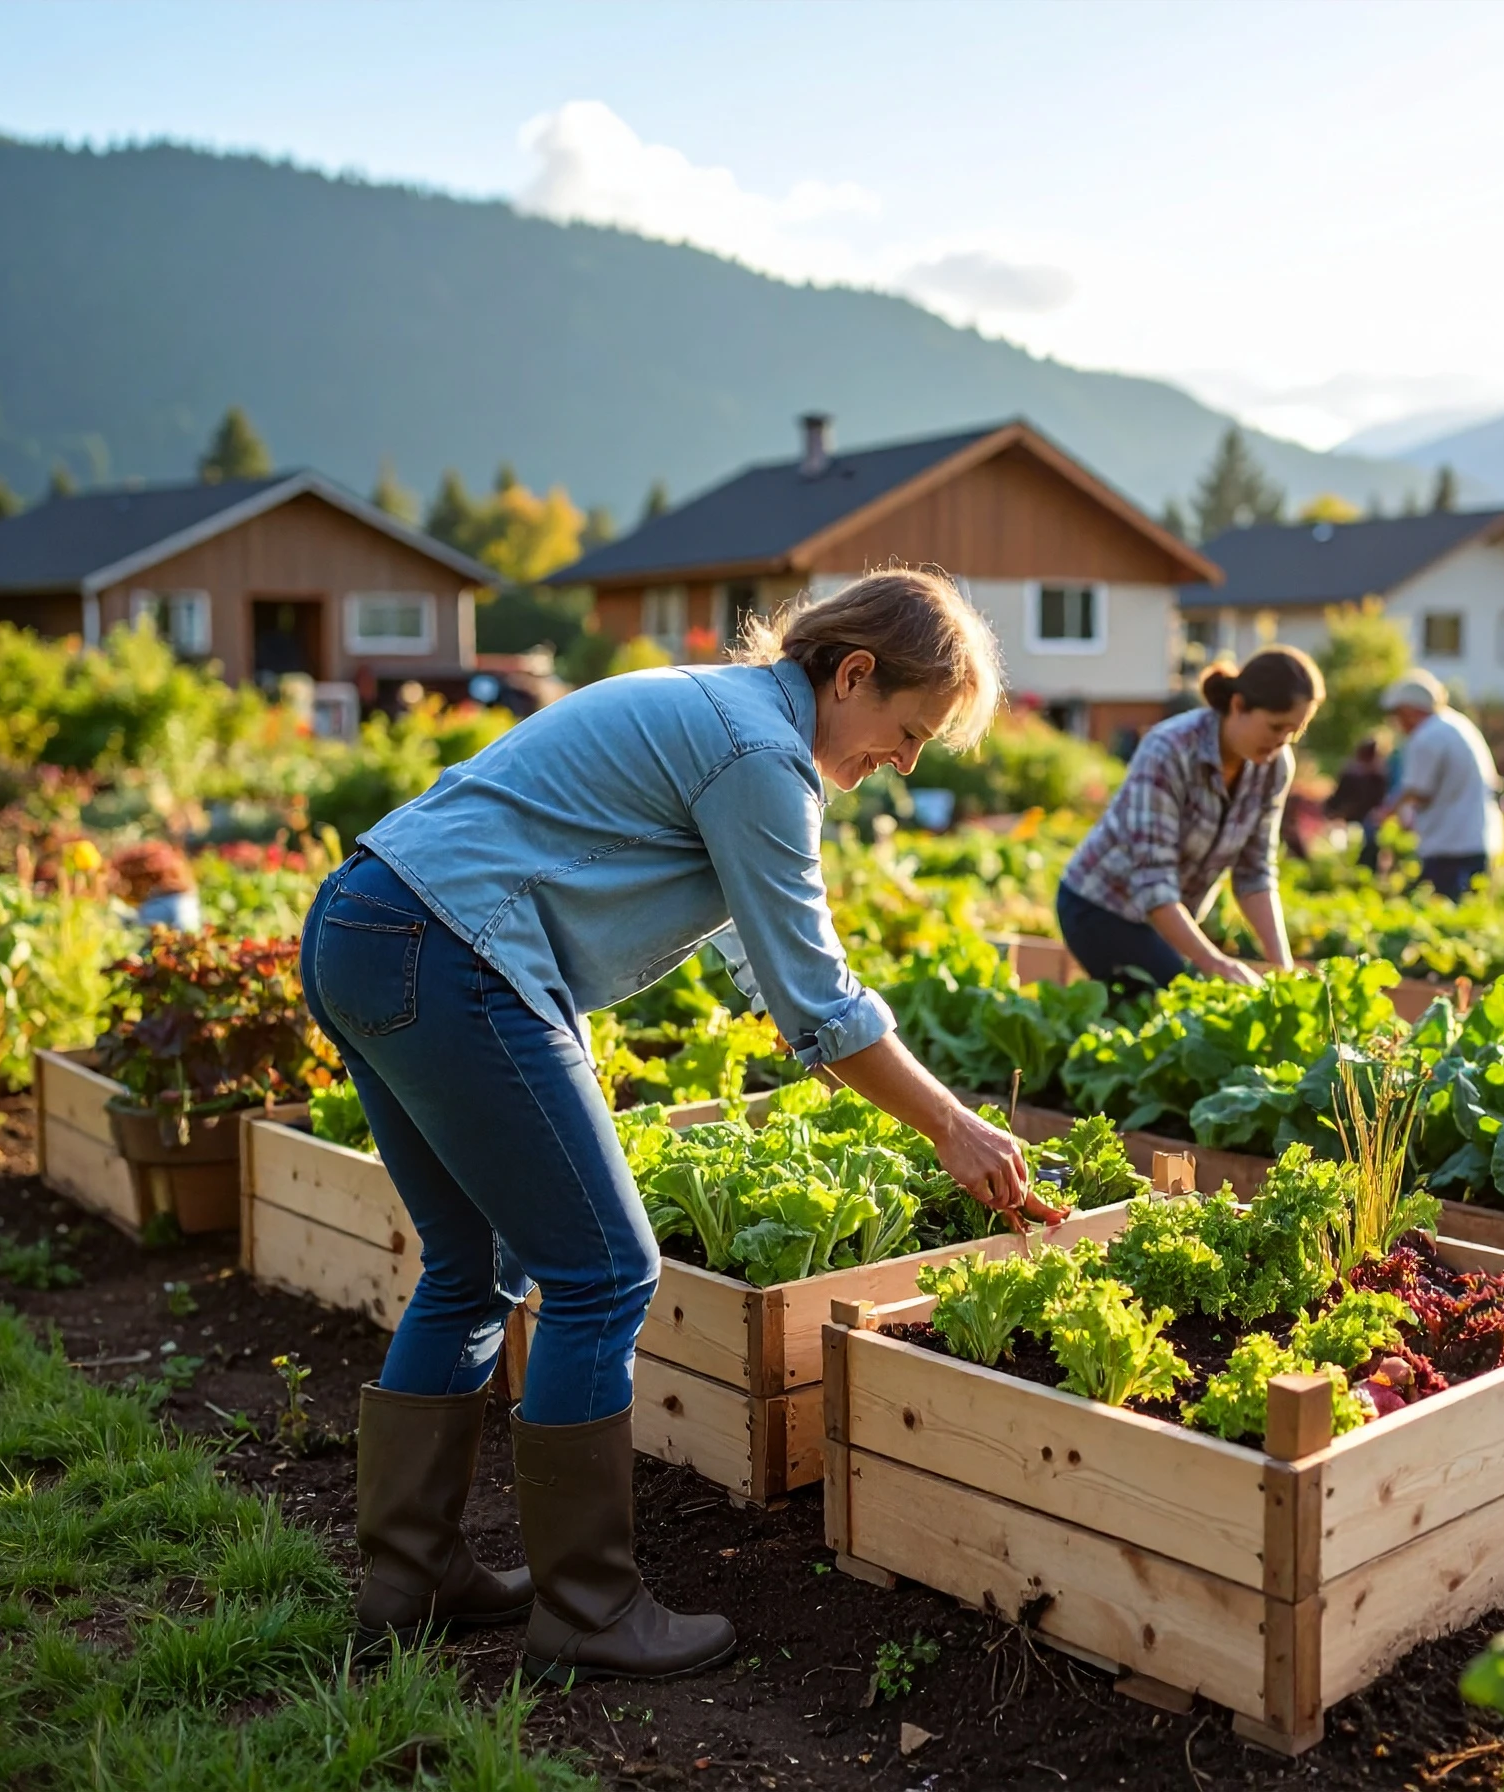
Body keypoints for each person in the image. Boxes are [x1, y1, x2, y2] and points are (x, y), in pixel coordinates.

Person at [300, 570, 1049, 1685]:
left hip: (363, 921)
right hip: (449, 945)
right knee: (606, 1272)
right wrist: (951, 1125)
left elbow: (766, 964)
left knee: (471, 1267)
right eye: (906, 730)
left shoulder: (722, 712)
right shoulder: (760, 758)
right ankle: (589, 1610)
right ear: (851, 674)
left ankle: (410, 1583)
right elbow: (818, 1001)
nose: (905, 762)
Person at [1055, 646, 1322, 992]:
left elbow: (1254, 872)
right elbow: (1152, 881)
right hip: (1100, 906)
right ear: (1239, 705)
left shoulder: (1274, 767)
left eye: (1293, 732)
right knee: (1180, 997)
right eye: (1275, 727)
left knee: (1164, 1006)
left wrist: (1284, 970)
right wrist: (1214, 963)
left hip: (1163, 919)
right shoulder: (1170, 749)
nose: (1281, 743)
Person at [1363, 670, 1502, 899]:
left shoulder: (1427, 736)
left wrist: (1385, 815)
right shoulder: (1456, 724)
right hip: (1477, 839)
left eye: (1398, 715)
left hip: (1449, 847)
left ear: (1409, 711)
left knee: (1442, 913)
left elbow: (1417, 791)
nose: (1397, 723)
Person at [1324, 737, 1391, 869]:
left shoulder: (1376, 775)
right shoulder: (1354, 773)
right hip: (1350, 818)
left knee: (1368, 846)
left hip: (1366, 818)